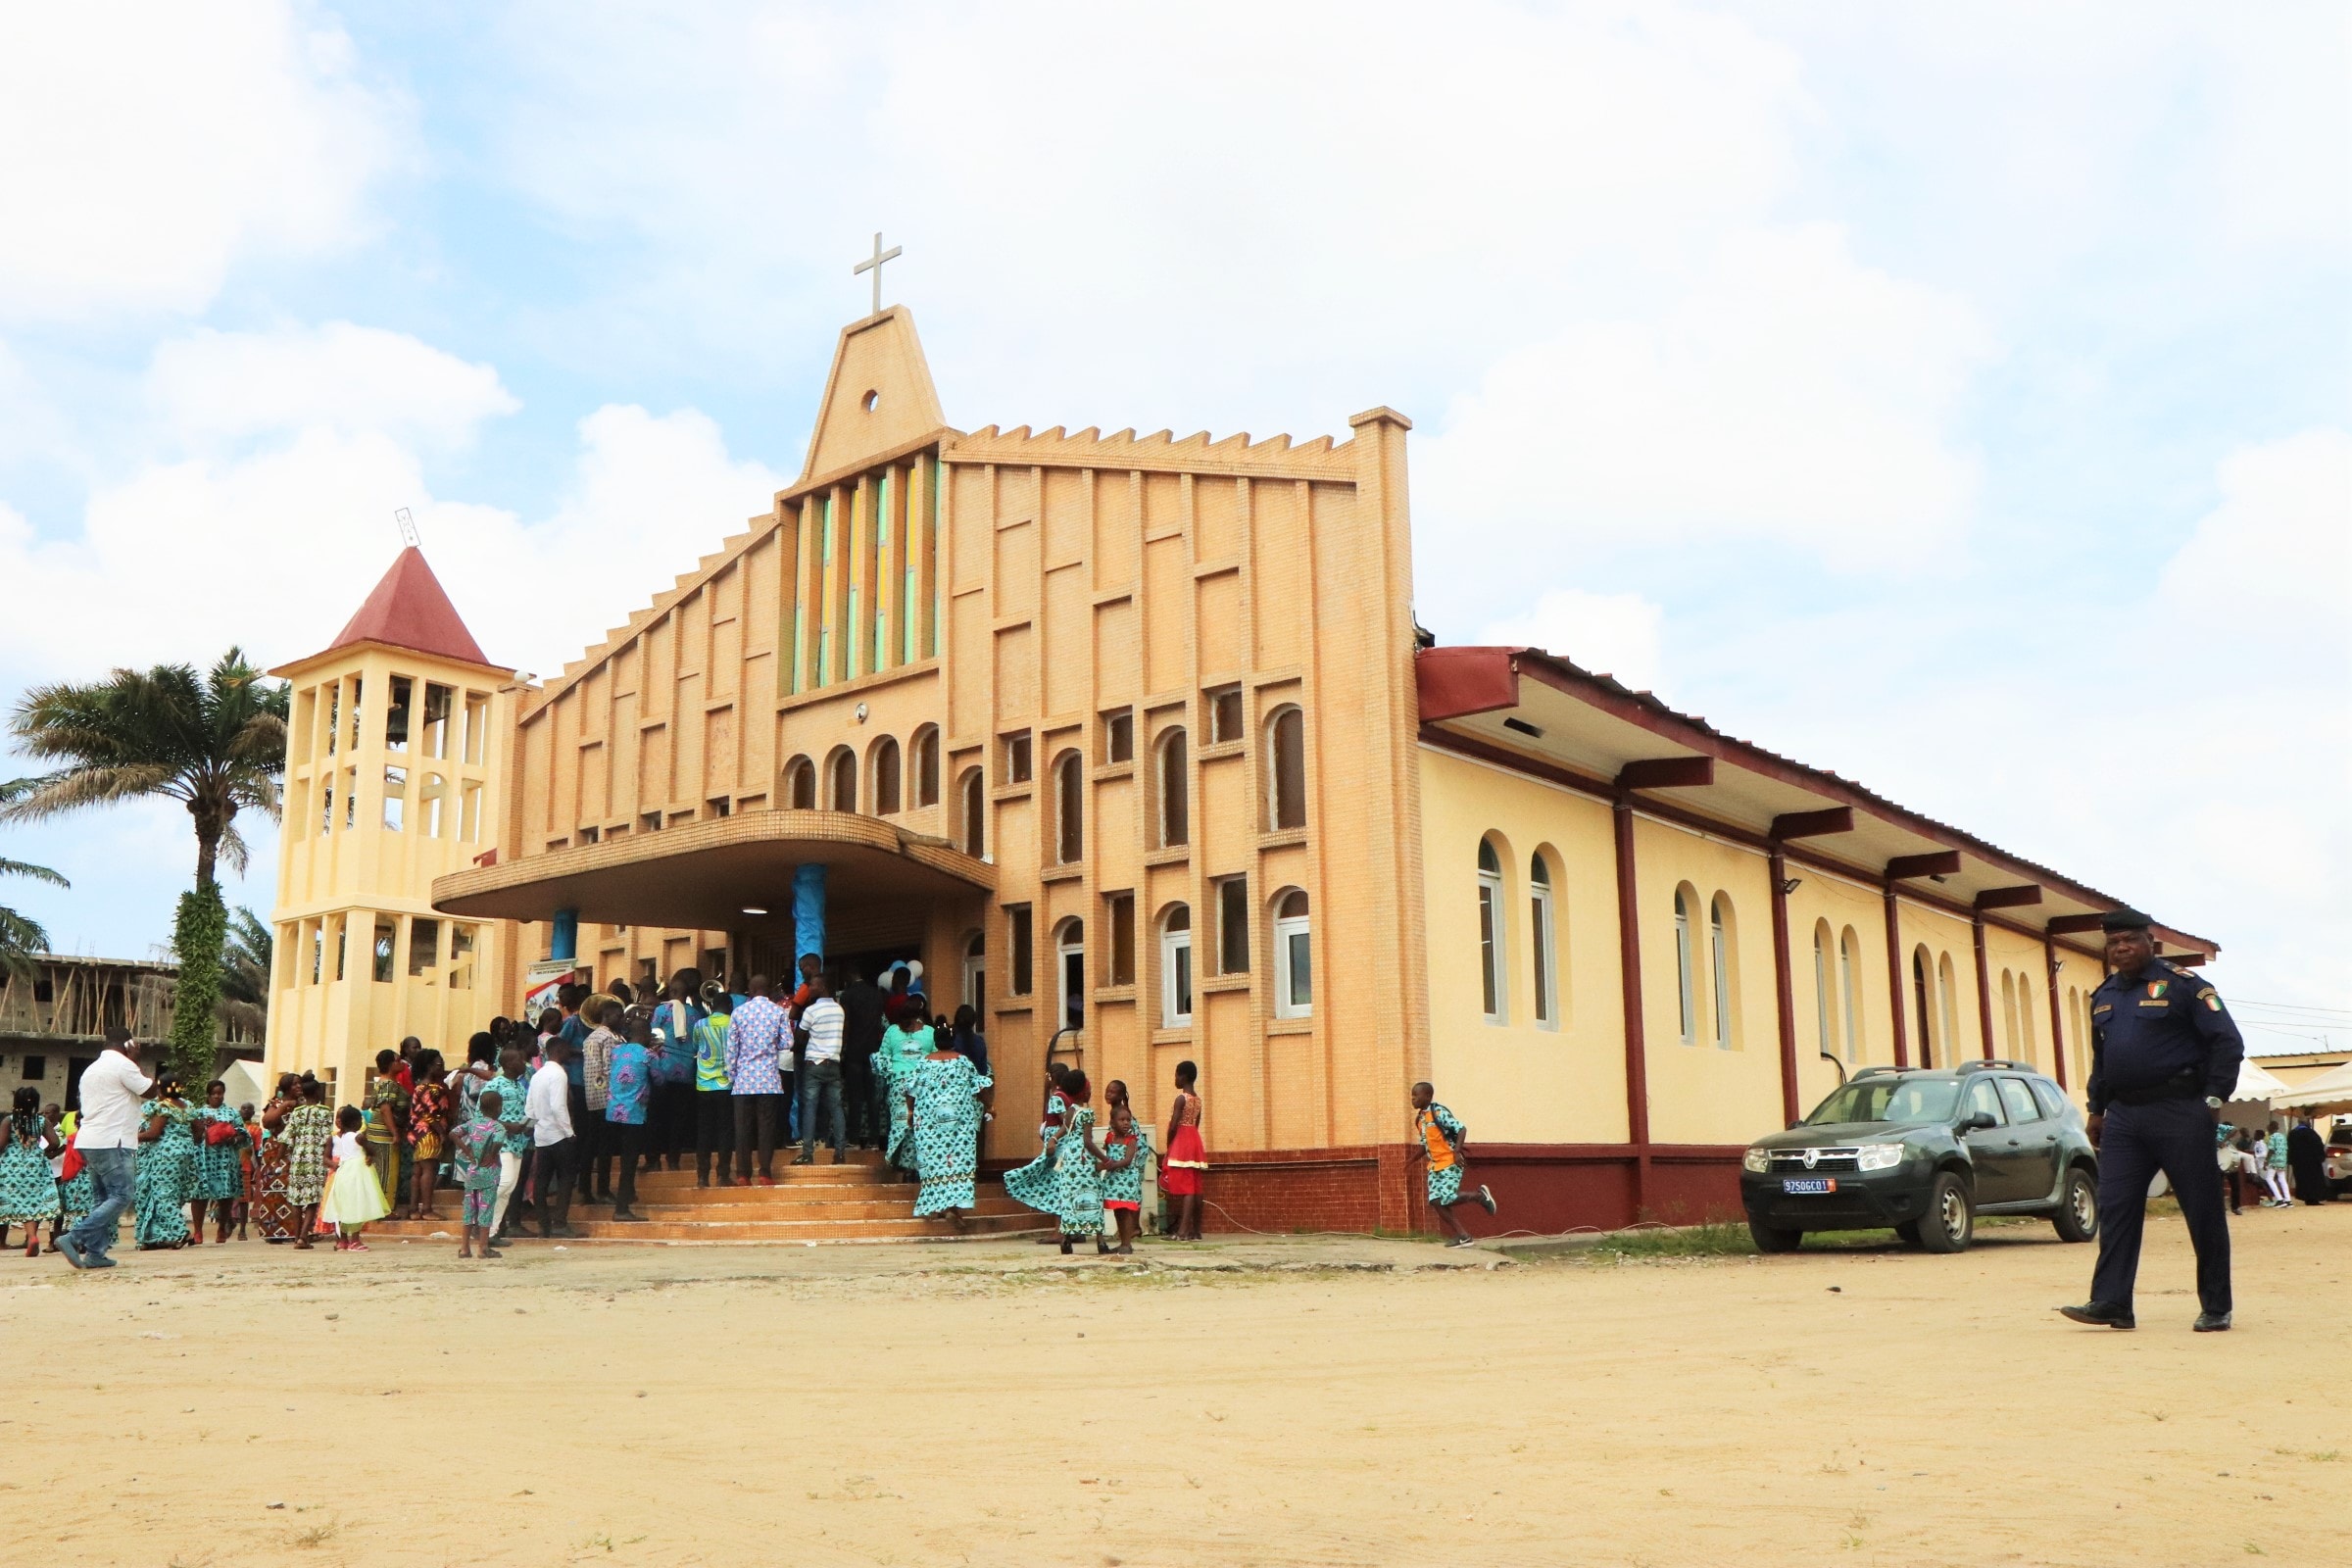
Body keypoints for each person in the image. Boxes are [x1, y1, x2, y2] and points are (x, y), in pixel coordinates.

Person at [2060, 909, 2244, 1333]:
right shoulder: (2103, 996)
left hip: (2179, 1110)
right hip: (2124, 1116)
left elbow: (2227, 1042)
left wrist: (2213, 1098)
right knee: (2116, 1206)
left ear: (2151, 943)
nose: (2121, 948)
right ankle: (2111, 1302)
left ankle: (2216, 1306)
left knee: (2201, 1210)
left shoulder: (2185, 987)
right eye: (2113, 942)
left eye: (2130, 940)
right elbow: (2101, 1060)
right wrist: (2096, 1108)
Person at [58, 1027, 151, 1270]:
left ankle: (96, 1253)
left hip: (89, 1139)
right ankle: (74, 1237)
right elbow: (150, 1091)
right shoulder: (124, 1064)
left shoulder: (92, 1068)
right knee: (122, 1195)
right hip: (114, 1140)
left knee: (101, 1198)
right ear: (129, 1044)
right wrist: (136, 1061)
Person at [908, 1029, 993, 1224]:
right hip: (959, 1126)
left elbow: (910, 1089)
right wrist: (990, 1106)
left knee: (933, 1162)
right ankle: (952, 1208)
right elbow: (979, 1087)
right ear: (953, 1040)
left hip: (930, 1125)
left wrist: (911, 1113)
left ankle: (937, 1207)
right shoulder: (963, 1062)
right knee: (956, 1163)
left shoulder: (924, 1063)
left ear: (935, 1042)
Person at [1409, 1082, 1496, 1248]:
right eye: (1412, 1096)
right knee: (1436, 1200)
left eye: (1416, 1096)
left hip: (1450, 1161)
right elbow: (1425, 1144)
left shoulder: (1439, 1113)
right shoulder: (1420, 1120)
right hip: (1435, 1165)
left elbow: (1461, 1129)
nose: (1412, 1099)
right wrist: (1410, 1161)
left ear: (1427, 1096)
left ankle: (1479, 1196)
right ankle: (1463, 1236)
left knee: (1447, 1197)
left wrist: (1456, 1152)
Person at [727, 975, 789, 1185]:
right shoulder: (778, 1011)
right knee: (766, 1129)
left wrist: (732, 1077)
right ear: (769, 990)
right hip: (769, 1080)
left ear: (750, 990)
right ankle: (764, 1173)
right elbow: (787, 1042)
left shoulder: (738, 1013)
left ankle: (743, 1174)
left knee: (743, 1130)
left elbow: (731, 1050)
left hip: (743, 1081)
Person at [130, 1072, 199, 1250]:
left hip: (165, 1156)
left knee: (163, 1196)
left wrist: (131, 1137)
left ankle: (180, 1233)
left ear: (160, 1090)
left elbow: (153, 1133)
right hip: (186, 1154)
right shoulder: (188, 1105)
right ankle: (158, 1236)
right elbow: (199, 1131)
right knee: (172, 1194)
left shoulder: (163, 1107)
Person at [649, 971, 706, 1171]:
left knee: (657, 1117)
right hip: (687, 1073)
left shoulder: (661, 1011)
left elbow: (653, 1037)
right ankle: (673, 1160)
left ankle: (654, 1161)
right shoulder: (696, 1014)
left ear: (672, 991)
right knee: (679, 1119)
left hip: (662, 1071)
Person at [1002, 1062, 1072, 1225]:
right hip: (1056, 1148)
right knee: (1056, 1184)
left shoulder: (1057, 1097)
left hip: (1057, 1150)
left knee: (1054, 1185)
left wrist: (1053, 1139)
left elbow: (1067, 1123)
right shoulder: (1063, 1096)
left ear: (1051, 1077)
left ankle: (1058, 1230)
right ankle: (1064, 1228)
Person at [1050, 1069, 1108, 1256]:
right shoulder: (1087, 1113)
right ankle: (1100, 1241)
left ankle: (1066, 1239)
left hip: (1069, 1159)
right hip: (1084, 1160)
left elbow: (1066, 1132)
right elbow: (1088, 1141)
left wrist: (1053, 1139)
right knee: (1092, 1195)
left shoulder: (1069, 1112)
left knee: (1069, 1196)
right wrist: (1105, 1158)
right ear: (1084, 1092)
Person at [527, 1039, 580, 1239]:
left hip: (541, 1135)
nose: (570, 1053)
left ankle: (543, 1225)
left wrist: (538, 1126)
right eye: (567, 1049)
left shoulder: (538, 1075)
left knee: (541, 1180)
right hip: (558, 1135)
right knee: (566, 1178)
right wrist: (569, 1132)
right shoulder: (558, 1073)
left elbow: (530, 1108)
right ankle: (560, 1222)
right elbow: (559, 1106)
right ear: (559, 1050)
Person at [606, 1003, 654, 1222]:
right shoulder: (648, 1055)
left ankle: (627, 1195)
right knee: (629, 1162)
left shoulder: (616, 1051)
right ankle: (622, 1209)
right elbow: (661, 1079)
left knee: (618, 1159)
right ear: (645, 1034)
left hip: (613, 1112)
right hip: (634, 1114)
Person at [0, 1088, 61, 1257]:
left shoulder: (9, 1121)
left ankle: (1, 1241)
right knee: (32, 1202)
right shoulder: (41, 1121)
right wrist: (41, 1152)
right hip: (35, 1165)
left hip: (11, 1166)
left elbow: (1, 1145)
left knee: (5, 1199)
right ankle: (33, 1237)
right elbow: (55, 1142)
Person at [319, 1105, 391, 1250]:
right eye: (360, 1120)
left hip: (343, 1172)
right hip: (357, 1173)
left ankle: (343, 1241)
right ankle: (355, 1240)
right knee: (357, 1204)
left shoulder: (342, 1137)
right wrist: (370, 1153)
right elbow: (372, 1150)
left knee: (344, 1205)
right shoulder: (358, 1137)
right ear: (354, 1122)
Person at [795, 974, 849, 1165]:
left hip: (814, 1065)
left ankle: (808, 1154)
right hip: (833, 1064)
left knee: (810, 1107)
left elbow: (799, 1036)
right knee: (836, 1108)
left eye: (813, 986)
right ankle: (840, 1153)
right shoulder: (839, 1010)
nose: (810, 989)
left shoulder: (811, 1010)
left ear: (823, 987)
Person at [485, 1046, 535, 1240]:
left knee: (509, 1189)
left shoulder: (519, 1086)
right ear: (506, 1064)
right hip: (500, 1142)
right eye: (518, 1060)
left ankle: (491, 1232)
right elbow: (483, 1115)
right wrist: (507, 1126)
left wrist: (526, 1125)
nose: (523, 1064)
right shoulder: (494, 1084)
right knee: (503, 1184)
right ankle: (479, 1221)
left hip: (518, 1143)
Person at [188, 1079, 247, 1245]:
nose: (217, 1096)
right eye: (213, 1093)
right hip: (203, 1158)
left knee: (225, 1194)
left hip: (225, 1158)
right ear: (208, 1095)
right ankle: (198, 1231)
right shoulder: (198, 1113)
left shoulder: (231, 1113)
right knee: (199, 1193)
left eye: (220, 1093)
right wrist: (202, 1131)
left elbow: (243, 1134)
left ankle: (222, 1227)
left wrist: (232, 1139)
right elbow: (192, 1135)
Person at [875, 1009, 931, 1183]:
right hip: (922, 1086)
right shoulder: (930, 1032)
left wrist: (890, 1075)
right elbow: (936, 1058)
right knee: (918, 1127)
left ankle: (895, 1160)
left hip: (898, 1085)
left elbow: (882, 1058)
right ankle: (912, 1168)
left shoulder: (892, 1031)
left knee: (900, 1124)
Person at [280, 1078, 334, 1251]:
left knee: (296, 1199)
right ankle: (303, 1236)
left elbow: (287, 1137)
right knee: (313, 1200)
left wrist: (280, 1159)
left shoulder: (297, 1112)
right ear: (318, 1092)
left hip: (298, 1158)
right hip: (316, 1159)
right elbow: (328, 1138)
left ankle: (297, 1237)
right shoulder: (325, 1112)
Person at [452, 1090, 508, 1259]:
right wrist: (491, 1155)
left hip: (472, 1170)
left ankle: (464, 1248)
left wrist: (467, 1150)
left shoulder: (472, 1123)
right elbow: (498, 1142)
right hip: (489, 1172)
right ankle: (483, 1248)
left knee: (469, 1209)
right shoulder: (497, 1126)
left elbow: (453, 1133)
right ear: (498, 1108)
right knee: (486, 1209)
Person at [838, 965, 887, 1150]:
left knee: (855, 1098)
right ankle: (874, 1140)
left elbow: (847, 1023)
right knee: (872, 1097)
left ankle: (855, 1139)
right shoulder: (876, 994)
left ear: (851, 974)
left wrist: (843, 1049)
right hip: (873, 1050)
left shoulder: (847, 995)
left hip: (854, 1052)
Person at [579, 1004, 623, 1205]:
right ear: (608, 1015)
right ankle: (603, 1190)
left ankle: (585, 1189)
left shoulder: (591, 1037)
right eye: (619, 1015)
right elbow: (609, 1067)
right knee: (604, 1146)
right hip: (607, 1097)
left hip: (592, 1098)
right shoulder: (607, 1038)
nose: (622, 1019)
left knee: (590, 1144)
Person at [692, 983, 735, 1186]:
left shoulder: (700, 1025)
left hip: (703, 1086)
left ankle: (702, 1177)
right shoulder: (734, 1024)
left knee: (704, 1132)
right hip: (726, 1086)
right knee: (725, 1131)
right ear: (729, 1006)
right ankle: (723, 1175)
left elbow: (695, 1046)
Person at [1096, 1102, 1152, 1254]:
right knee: (1117, 1211)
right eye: (1122, 1120)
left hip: (1126, 1181)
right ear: (1112, 1122)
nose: (1126, 1123)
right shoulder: (1109, 1138)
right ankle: (1122, 1242)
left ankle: (1127, 1243)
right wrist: (1102, 1165)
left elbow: (1127, 1160)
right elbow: (1108, 1155)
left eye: (1128, 1120)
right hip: (1113, 1181)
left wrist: (1109, 1165)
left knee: (1126, 1211)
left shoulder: (1131, 1140)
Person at [1162, 1060, 1207, 1243]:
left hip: (1182, 1140)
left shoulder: (1181, 1098)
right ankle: (1195, 1231)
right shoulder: (1198, 1100)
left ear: (1184, 1076)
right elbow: (1196, 1124)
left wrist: (1169, 1145)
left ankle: (1182, 1231)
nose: (1175, 1078)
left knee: (1188, 1188)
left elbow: (1174, 1125)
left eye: (1176, 1075)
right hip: (1194, 1139)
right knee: (1196, 1187)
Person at [404, 1050, 450, 1221]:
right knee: (429, 1170)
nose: (442, 1067)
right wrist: (442, 1133)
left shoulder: (418, 1087)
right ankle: (427, 1209)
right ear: (429, 1067)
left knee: (417, 1171)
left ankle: (413, 1209)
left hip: (416, 1132)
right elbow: (430, 1114)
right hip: (430, 1132)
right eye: (439, 1064)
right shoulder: (433, 1089)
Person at [363, 1049, 411, 1212]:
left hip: (378, 1133)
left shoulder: (384, 1082)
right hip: (384, 1135)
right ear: (391, 1064)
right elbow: (385, 1109)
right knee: (386, 1172)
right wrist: (395, 1133)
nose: (401, 1063)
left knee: (383, 1171)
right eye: (398, 1060)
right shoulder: (388, 1084)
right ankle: (383, 1209)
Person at [2286, 1115, 2331, 1204]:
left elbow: (2290, 1148)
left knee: (2302, 1181)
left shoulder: (2292, 1133)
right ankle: (2313, 1199)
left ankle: (2306, 1198)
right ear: (2306, 1123)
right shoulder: (2311, 1133)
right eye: (2309, 1122)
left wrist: (2291, 1159)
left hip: (2298, 1162)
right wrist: (2321, 1157)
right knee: (2313, 1181)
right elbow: (2318, 1145)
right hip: (2312, 1162)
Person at [234, 1100, 261, 1240]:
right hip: (229, 1166)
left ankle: (242, 1230)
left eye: (248, 1109)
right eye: (243, 1108)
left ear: (253, 1113)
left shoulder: (256, 1130)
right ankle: (229, 1222)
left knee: (243, 1200)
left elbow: (258, 1150)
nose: (245, 1110)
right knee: (226, 1197)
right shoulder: (233, 1126)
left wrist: (259, 1167)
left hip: (245, 1166)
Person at [2260, 1121, 2294, 1207]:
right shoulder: (2283, 1136)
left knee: (2269, 1178)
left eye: (2268, 1127)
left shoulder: (2272, 1137)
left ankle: (2279, 1199)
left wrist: (2266, 1161)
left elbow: (2271, 1150)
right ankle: (2288, 1200)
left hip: (2274, 1160)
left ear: (2271, 1128)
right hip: (2282, 1159)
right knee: (2282, 1179)